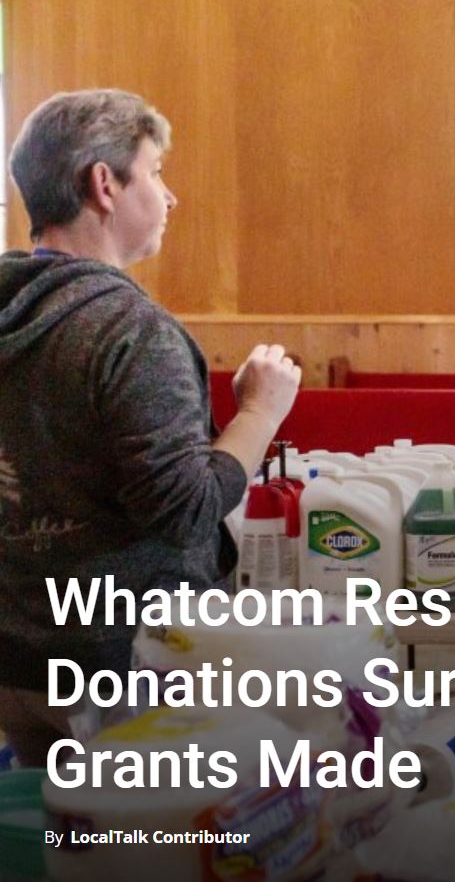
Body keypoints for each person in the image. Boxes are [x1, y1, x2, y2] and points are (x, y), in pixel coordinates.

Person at [0, 90, 300, 765]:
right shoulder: (130, 331)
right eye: (156, 172)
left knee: (59, 830)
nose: (170, 196)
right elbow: (185, 510)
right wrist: (261, 411)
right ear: (103, 184)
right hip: (119, 668)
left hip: (18, 660)